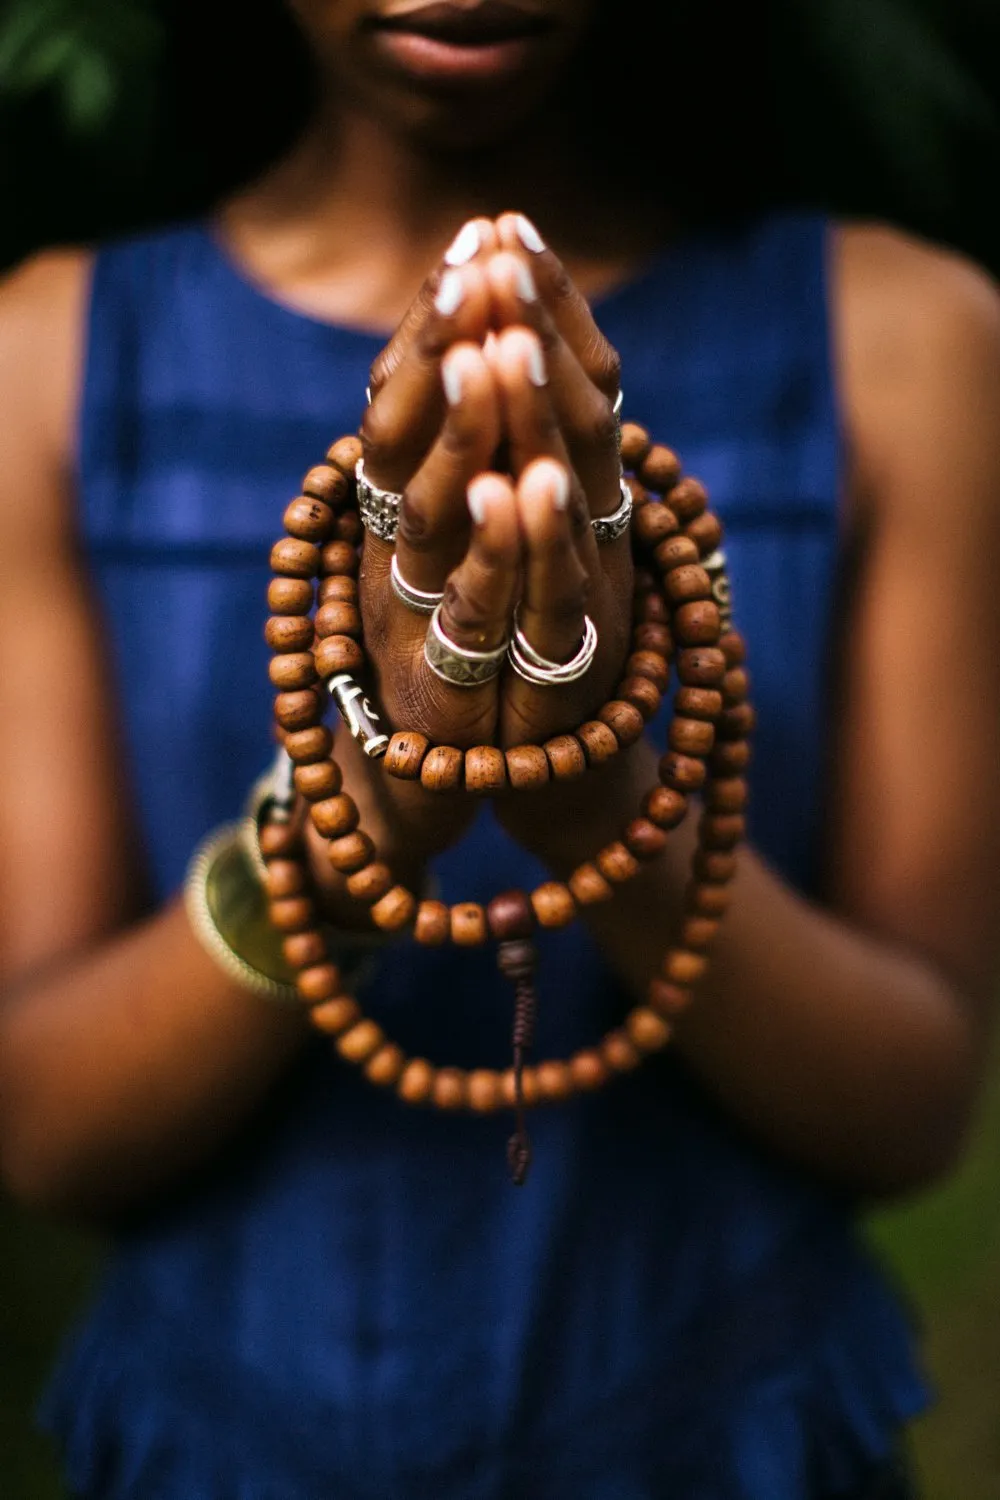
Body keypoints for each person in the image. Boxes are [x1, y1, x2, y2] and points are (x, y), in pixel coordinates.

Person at [1, 0, 999, 1495]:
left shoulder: (908, 346)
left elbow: (911, 1100)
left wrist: (600, 794)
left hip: (730, 1438)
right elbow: (49, 1126)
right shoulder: (47, 362)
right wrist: (358, 828)